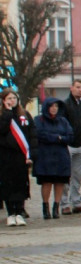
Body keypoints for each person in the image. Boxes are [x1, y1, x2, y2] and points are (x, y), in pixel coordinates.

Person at [33, 97, 73, 221]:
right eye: (51, 106)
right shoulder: (39, 120)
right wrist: (58, 138)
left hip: (61, 155)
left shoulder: (63, 121)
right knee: (47, 181)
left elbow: (70, 136)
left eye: (56, 106)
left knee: (59, 181)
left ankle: (56, 207)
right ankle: (45, 207)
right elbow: (40, 135)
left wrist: (59, 138)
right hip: (45, 155)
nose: (54, 108)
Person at [1, 90, 36, 226]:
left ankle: (19, 212)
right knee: (8, 185)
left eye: (14, 98)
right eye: (9, 98)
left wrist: (32, 154)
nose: (12, 100)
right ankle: (10, 213)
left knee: (21, 184)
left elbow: (32, 134)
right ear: (3, 100)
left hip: (21, 157)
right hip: (6, 157)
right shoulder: (3, 115)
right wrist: (7, 113)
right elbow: (2, 130)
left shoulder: (25, 115)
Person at [61, 78, 81, 214]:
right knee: (66, 175)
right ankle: (64, 203)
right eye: (77, 87)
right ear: (71, 88)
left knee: (77, 175)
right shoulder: (65, 104)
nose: (80, 90)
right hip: (69, 144)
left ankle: (76, 201)